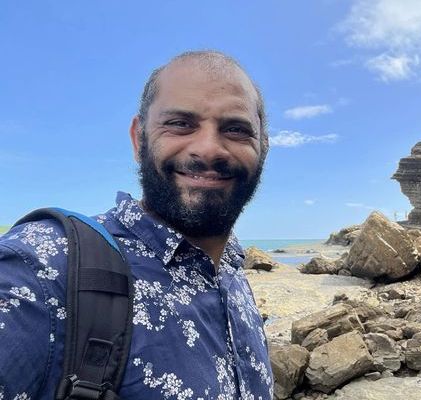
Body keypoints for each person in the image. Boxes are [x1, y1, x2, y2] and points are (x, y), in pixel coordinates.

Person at [0, 51, 273, 399]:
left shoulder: (233, 274)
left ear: (263, 148)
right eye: (180, 124)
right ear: (138, 138)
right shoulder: (44, 269)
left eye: (235, 129)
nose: (208, 148)